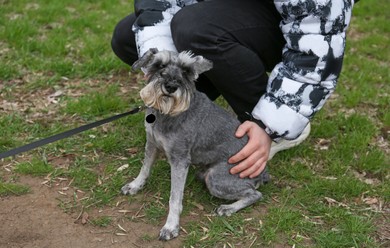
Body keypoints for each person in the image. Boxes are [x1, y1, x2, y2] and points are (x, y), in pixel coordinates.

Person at [111, 0, 357, 179]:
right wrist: (165, 68)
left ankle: (268, 122)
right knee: (127, 35)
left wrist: (269, 123)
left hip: (291, 19)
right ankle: (187, 104)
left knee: (196, 29)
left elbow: (317, 41)